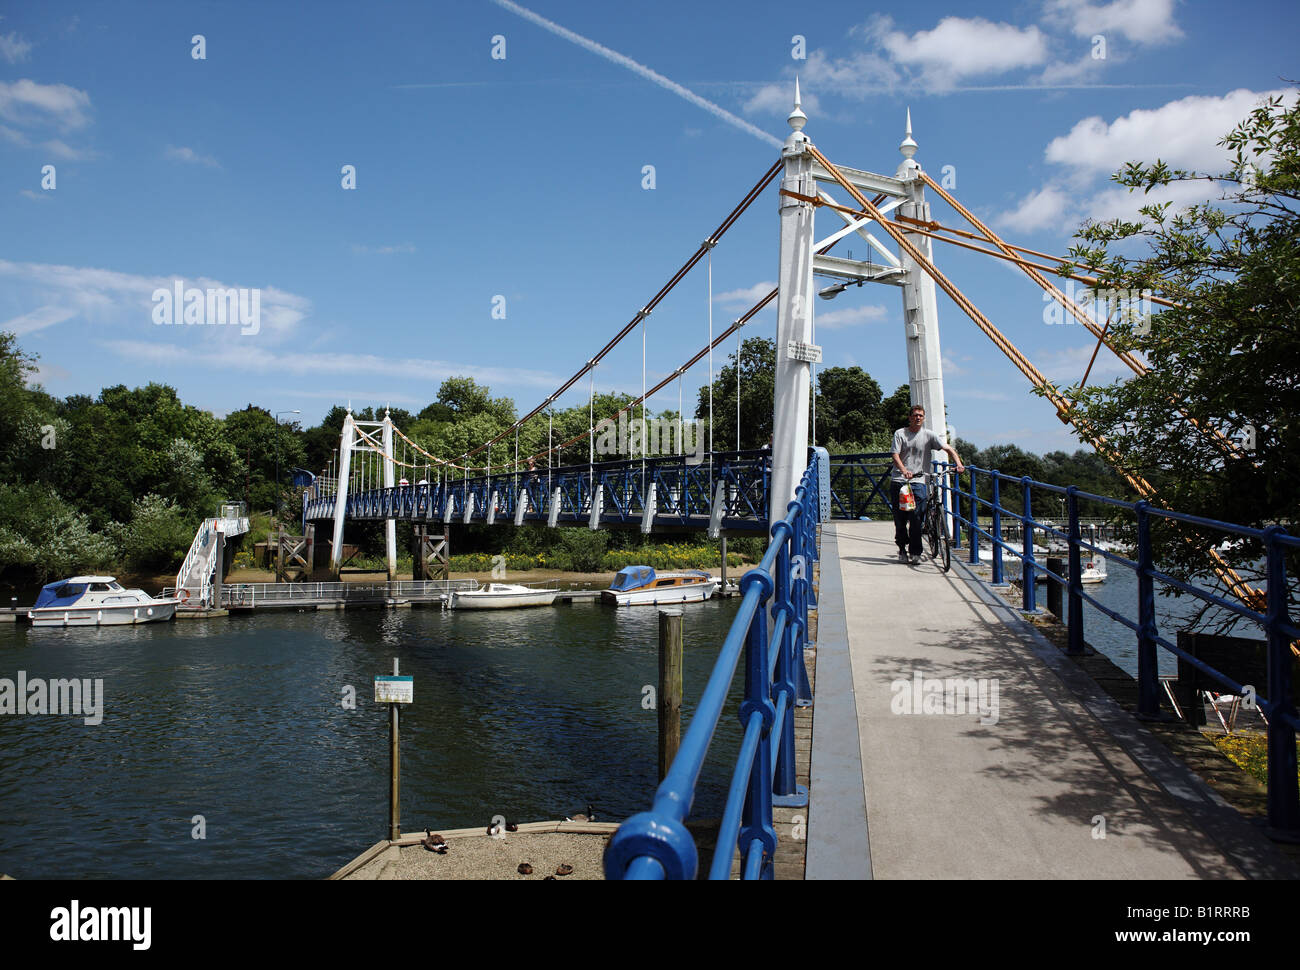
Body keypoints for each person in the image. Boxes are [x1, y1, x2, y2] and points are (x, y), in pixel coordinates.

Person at [890, 404, 964, 564]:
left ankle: (915, 552)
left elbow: (947, 448)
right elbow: (895, 455)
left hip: (919, 481)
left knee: (917, 518)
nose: (917, 418)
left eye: (920, 416)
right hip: (900, 480)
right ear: (910, 417)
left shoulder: (929, 435)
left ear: (923, 418)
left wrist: (958, 463)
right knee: (900, 519)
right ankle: (902, 548)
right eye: (915, 415)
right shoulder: (900, 434)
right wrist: (903, 470)